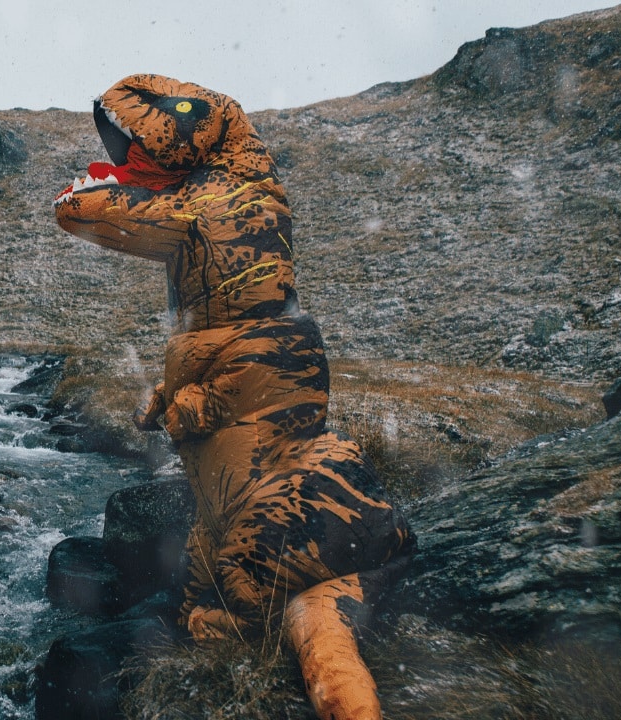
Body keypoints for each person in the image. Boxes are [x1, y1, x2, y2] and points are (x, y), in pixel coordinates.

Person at [54, 73, 415, 720]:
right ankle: (250, 613)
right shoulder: (213, 209)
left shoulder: (227, 202)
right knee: (216, 542)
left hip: (288, 506)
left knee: (271, 572)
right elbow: (210, 349)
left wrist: (200, 405)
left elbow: (82, 210)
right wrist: (173, 396)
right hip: (240, 490)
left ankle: (259, 619)